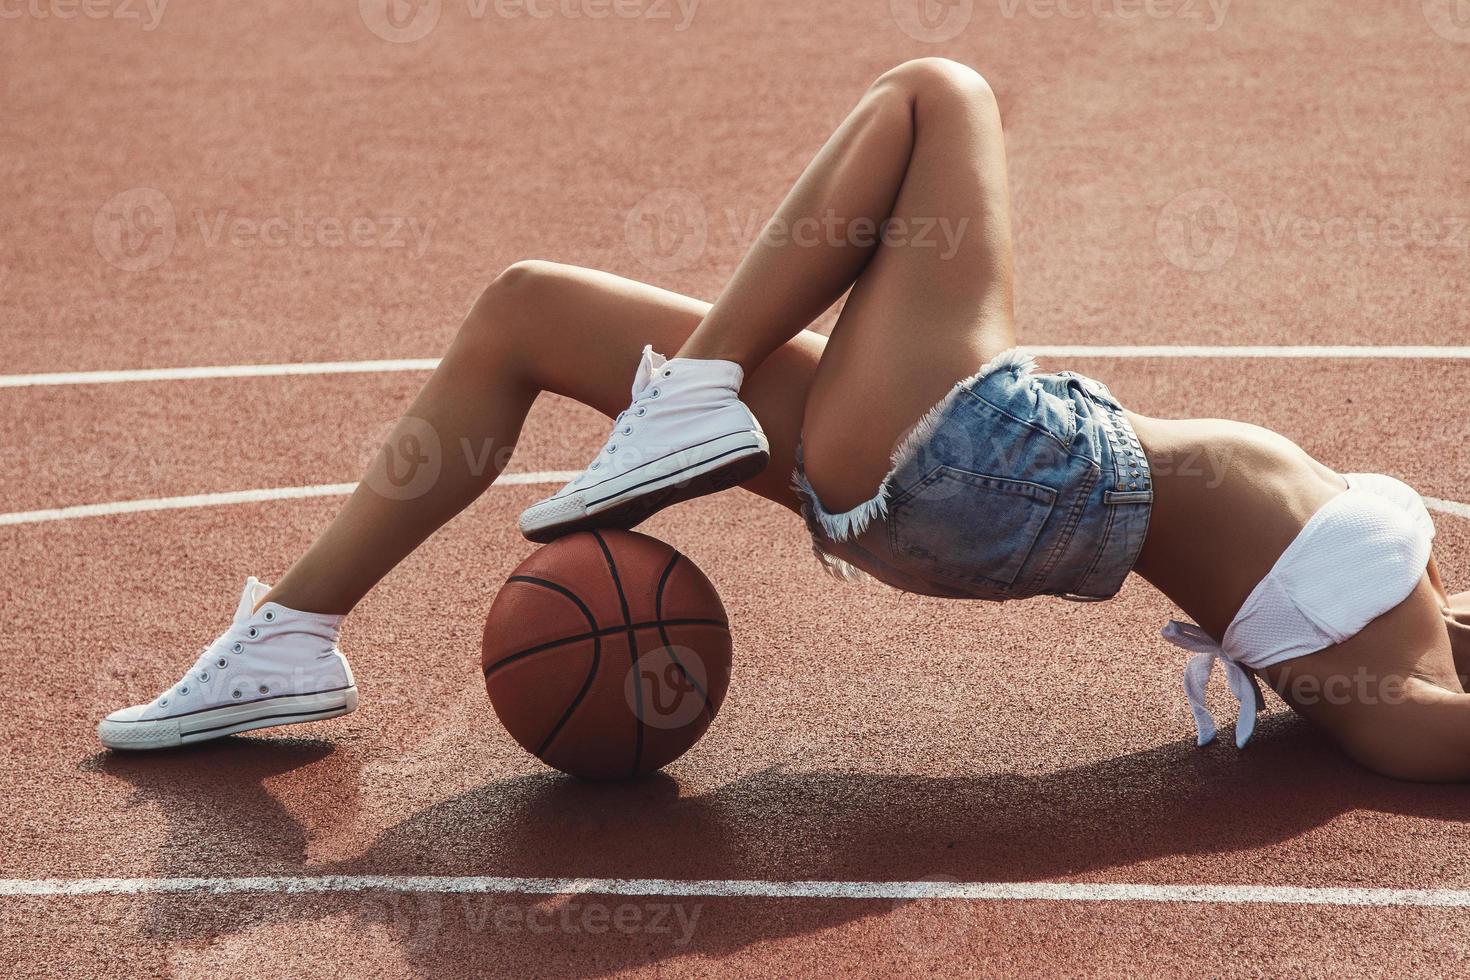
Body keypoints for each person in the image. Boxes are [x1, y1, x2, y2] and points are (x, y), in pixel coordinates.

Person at [97, 59, 1470, 781]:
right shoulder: (1424, 623)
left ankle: (685, 402)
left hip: (1000, 469)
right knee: (524, 307)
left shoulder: (1384, 700)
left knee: (940, 92)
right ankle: (288, 638)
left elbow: (1420, 733)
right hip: (968, 475)